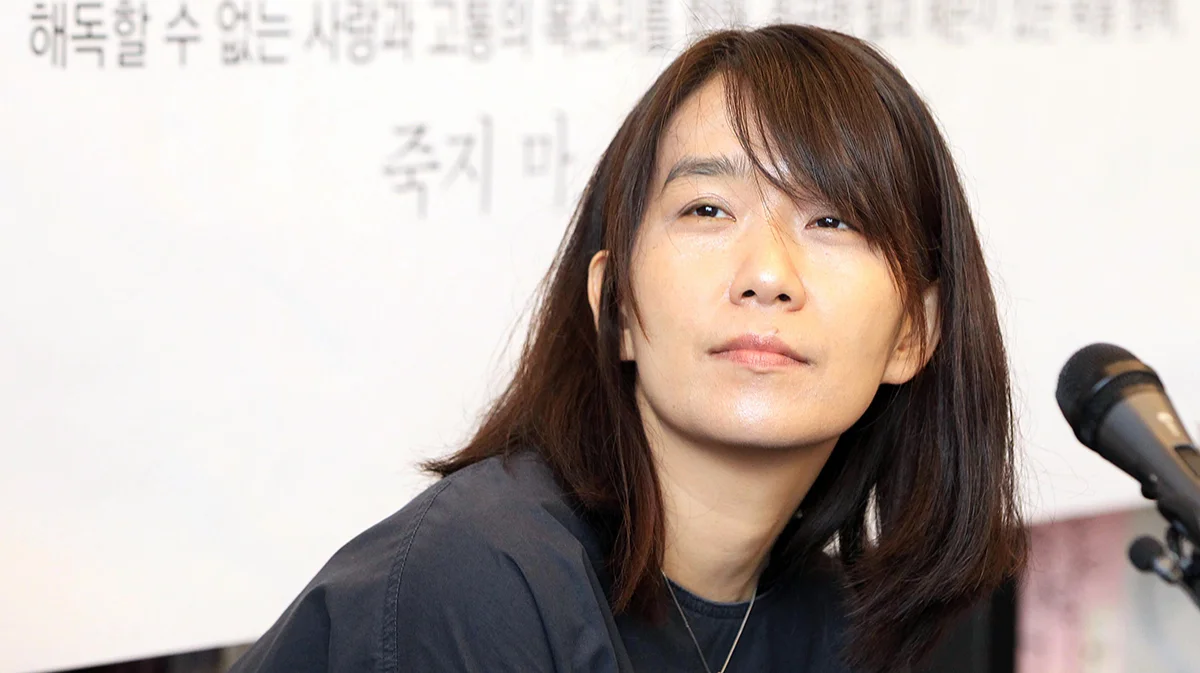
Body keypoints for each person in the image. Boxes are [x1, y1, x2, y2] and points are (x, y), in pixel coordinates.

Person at [228, 23, 1027, 673]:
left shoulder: (833, 621)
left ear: (914, 332)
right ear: (614, 304)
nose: (767, 274)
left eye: (832, 220)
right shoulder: (479, 575)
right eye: (708, 209)